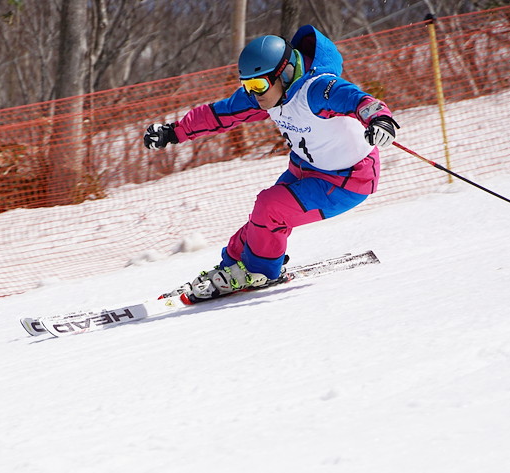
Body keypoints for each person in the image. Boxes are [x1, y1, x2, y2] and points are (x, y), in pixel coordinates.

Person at [144, 25, 399, 301]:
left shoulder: (316, 89)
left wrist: (379, 119)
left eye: (259, 85)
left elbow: (355, 99)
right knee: (258, 225)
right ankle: (232, 267)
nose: (254, 94)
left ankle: (261, 271)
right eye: (248, 86)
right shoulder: (270, 93)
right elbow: (220, 114)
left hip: (347, 180)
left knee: (270, 207)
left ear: (285, 72)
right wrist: (174, 131)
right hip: (306, 171)